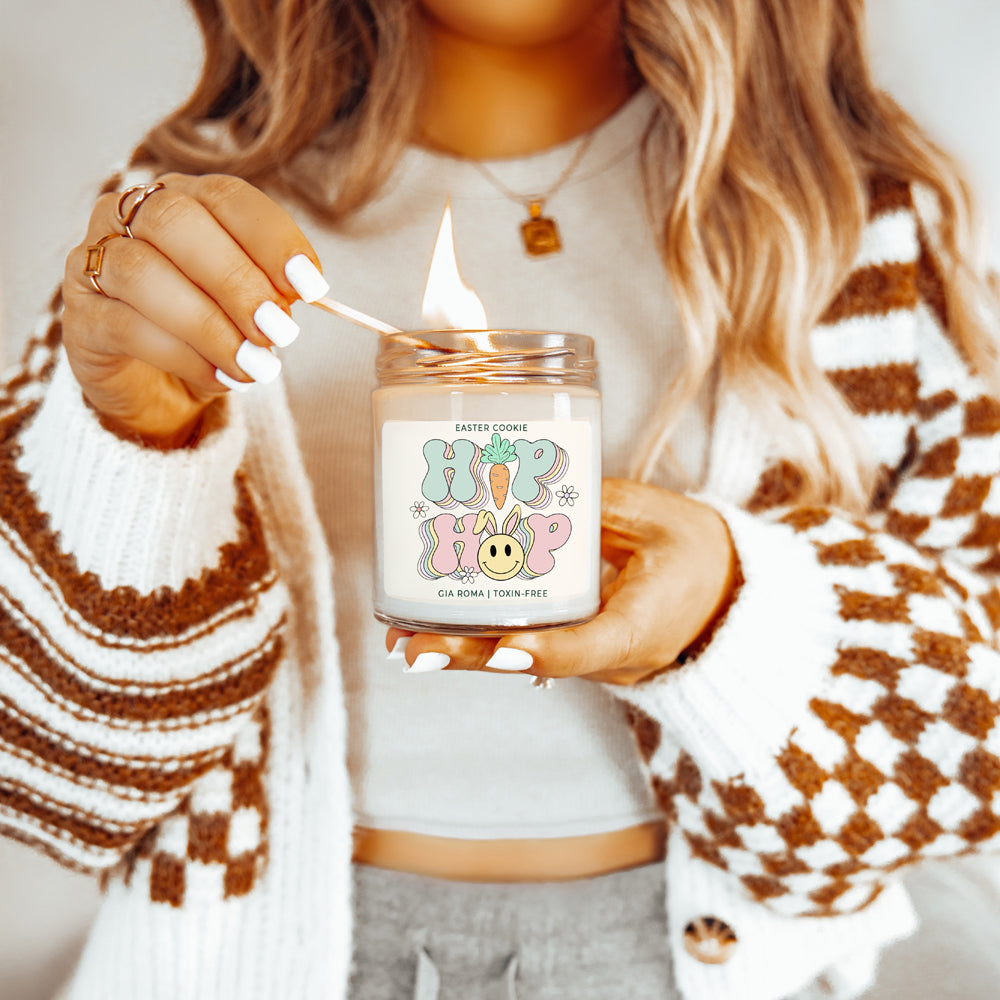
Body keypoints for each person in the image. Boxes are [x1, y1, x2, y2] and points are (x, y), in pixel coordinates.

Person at [1, 0, 999, 998]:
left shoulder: (850, 230)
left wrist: (724, 621)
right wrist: (133, 446)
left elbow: (972, 750)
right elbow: (54, 790)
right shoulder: (179, 240)